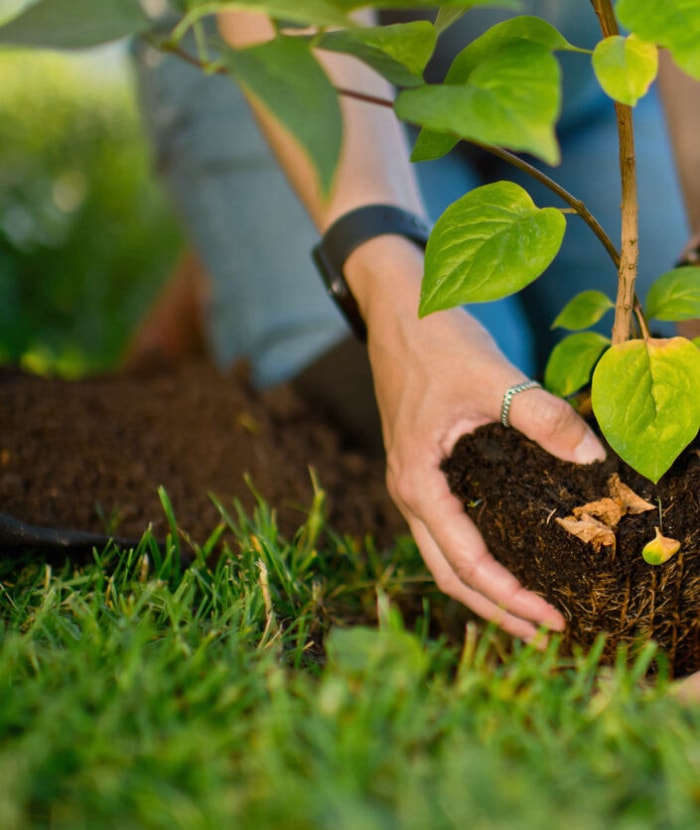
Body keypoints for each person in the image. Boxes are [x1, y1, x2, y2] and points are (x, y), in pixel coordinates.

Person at [127, 3, 700, 644]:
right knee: (459, 425)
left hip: (584, 69)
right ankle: (237, 240)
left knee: (655, 358)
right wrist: (384, 277)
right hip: (306, 49)